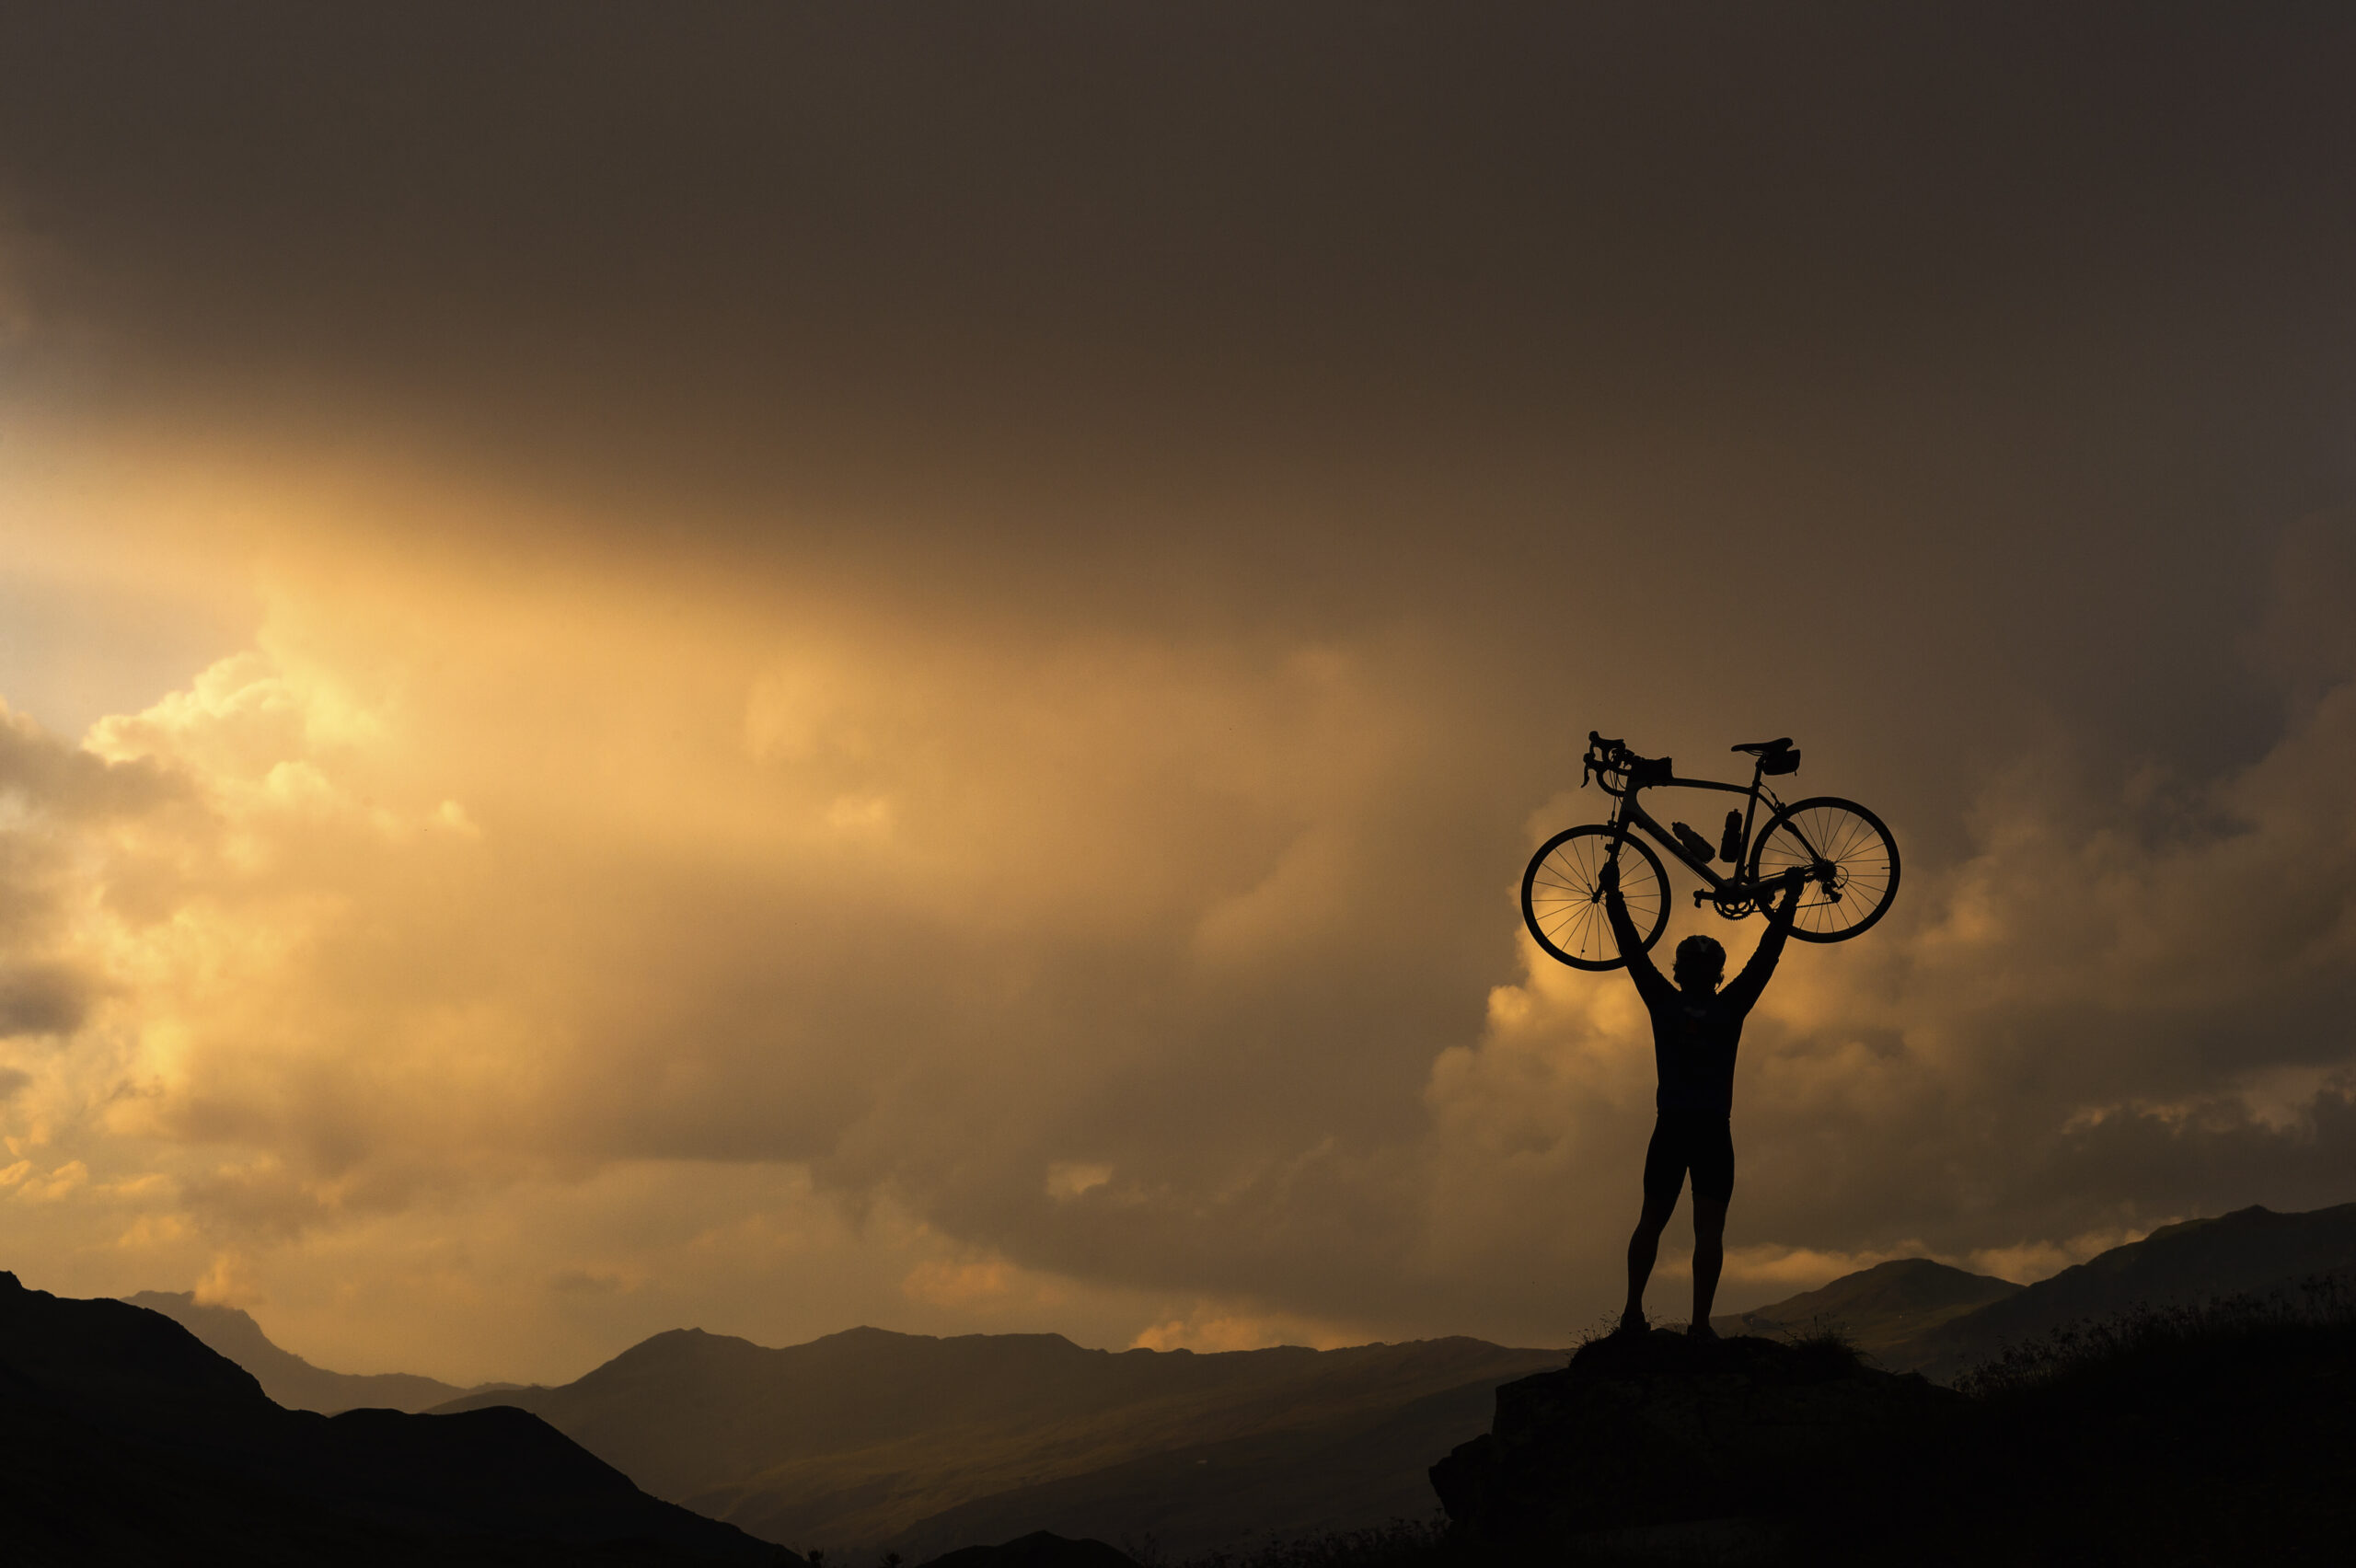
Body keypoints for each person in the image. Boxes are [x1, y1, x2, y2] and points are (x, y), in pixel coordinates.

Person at [1599, 855, 1804, 1337]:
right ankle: (1700, 1324)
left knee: (1650, 1221)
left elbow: (1631, 951)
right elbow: (1766, 957)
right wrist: (1790, 899)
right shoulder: (1731, 1005)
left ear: (1677, 972)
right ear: (1717, 975)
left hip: (1670, 1126)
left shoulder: (1664, 1003)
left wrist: (1613, 895)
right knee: (1708, 1231)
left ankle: (1632, 1314)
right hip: (1713, 1129)